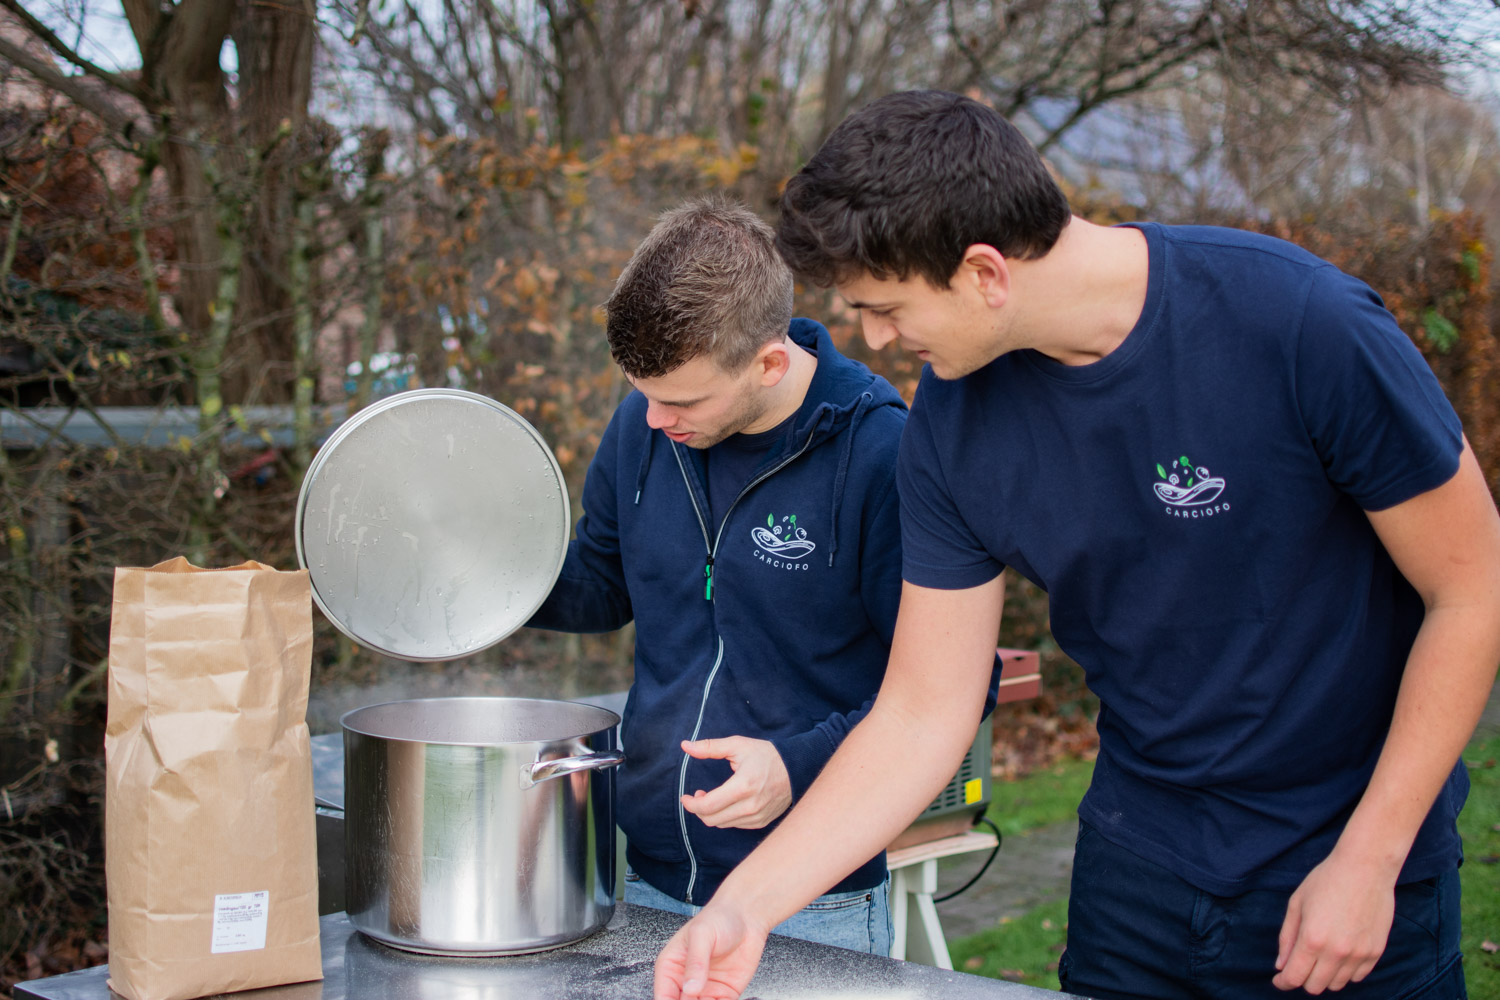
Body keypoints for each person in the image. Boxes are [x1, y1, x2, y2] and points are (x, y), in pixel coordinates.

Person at [654, 91, 1500, 1000]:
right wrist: (747, 905)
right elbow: (922, 712)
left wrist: (1372, 859)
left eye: (885, 307)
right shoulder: (949, 426)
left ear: (984, 271)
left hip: (1351, 863)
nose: (875, 339)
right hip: (1138, 869)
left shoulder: (1303, 325)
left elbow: (1473, 589)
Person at [526, 196, 912, 953]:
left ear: (769, 363)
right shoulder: (647, 421)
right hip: (648, 886)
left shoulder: (881, 456)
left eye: (681, 400)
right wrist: (492, 581)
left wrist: (798, 766)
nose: (653, 420)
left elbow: (946, 691)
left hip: (812, 901)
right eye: (642, 394)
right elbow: (602, 584)